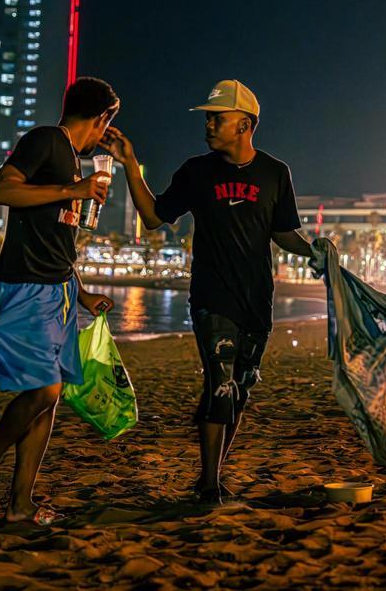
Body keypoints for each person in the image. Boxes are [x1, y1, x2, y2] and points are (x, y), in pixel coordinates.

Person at [104, 80, 312, 504]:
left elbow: (283, 233)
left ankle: (211, 475)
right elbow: (153, 216)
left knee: (240, 388)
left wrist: (316, 253)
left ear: (245, 125)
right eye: (208, 117)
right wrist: (129, 163)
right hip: (211, 296)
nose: (209, 124)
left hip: (257, 298)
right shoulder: (196, 172)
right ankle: (210, 482)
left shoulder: (275, 173)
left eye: (217, 117)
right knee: (219, 383)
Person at [0, 77, 119, 524]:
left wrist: (82, 292)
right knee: (43, 388)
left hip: (60, 289)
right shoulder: (46, 140)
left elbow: (58, 235)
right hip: (24, 285)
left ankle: (21, 504)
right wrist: (74, 190)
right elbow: (1, 190)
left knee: (51, 396)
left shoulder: (70, 158)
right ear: (103, 118)